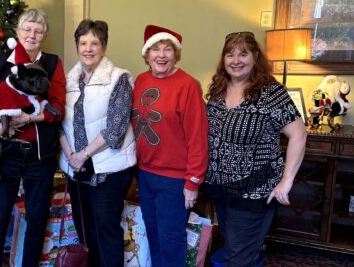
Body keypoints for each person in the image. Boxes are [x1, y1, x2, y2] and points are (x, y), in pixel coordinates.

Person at [0, 8, 66, 267]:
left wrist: (32, 118)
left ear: (44, 35)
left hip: (39, 156)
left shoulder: (52, 63)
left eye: (38, 30)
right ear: (18, 32)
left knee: (37, 220)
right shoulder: (0, 62)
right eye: (27, 29)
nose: (32, 35)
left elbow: (58, 107)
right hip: (5, 155)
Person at [204, 31, 306, 266]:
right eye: (230, 54)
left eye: (243, 54)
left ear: (255, 57)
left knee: (237, 258)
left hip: (253, 189)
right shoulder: (219, 89)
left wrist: (286, 181)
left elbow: (298, 134)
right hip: (221, 188)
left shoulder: (271, 92)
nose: (236, 60)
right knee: (236, 248)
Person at [59, 19, 136, 266]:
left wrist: (83, 154)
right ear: (77, 46)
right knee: (85, 229)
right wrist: (71, 155)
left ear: (103, 46)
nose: (88, 48)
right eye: (83, 43)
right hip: (76, 170)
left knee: (106, 230)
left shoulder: (118, 78)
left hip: (108, 168)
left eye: (95, 42)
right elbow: (58, 122)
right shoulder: (68, 81)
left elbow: (115, 127)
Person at [131, 25, 209, 266]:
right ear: (147, 54)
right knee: (152, 235)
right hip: (145, 174)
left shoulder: (188, 85)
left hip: (174, 179)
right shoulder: (141, 80)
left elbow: (198, 136)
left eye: (168, 49)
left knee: (171, 239)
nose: (161, 55)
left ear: (176, 55)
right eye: (156, 49)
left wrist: (193, 180)